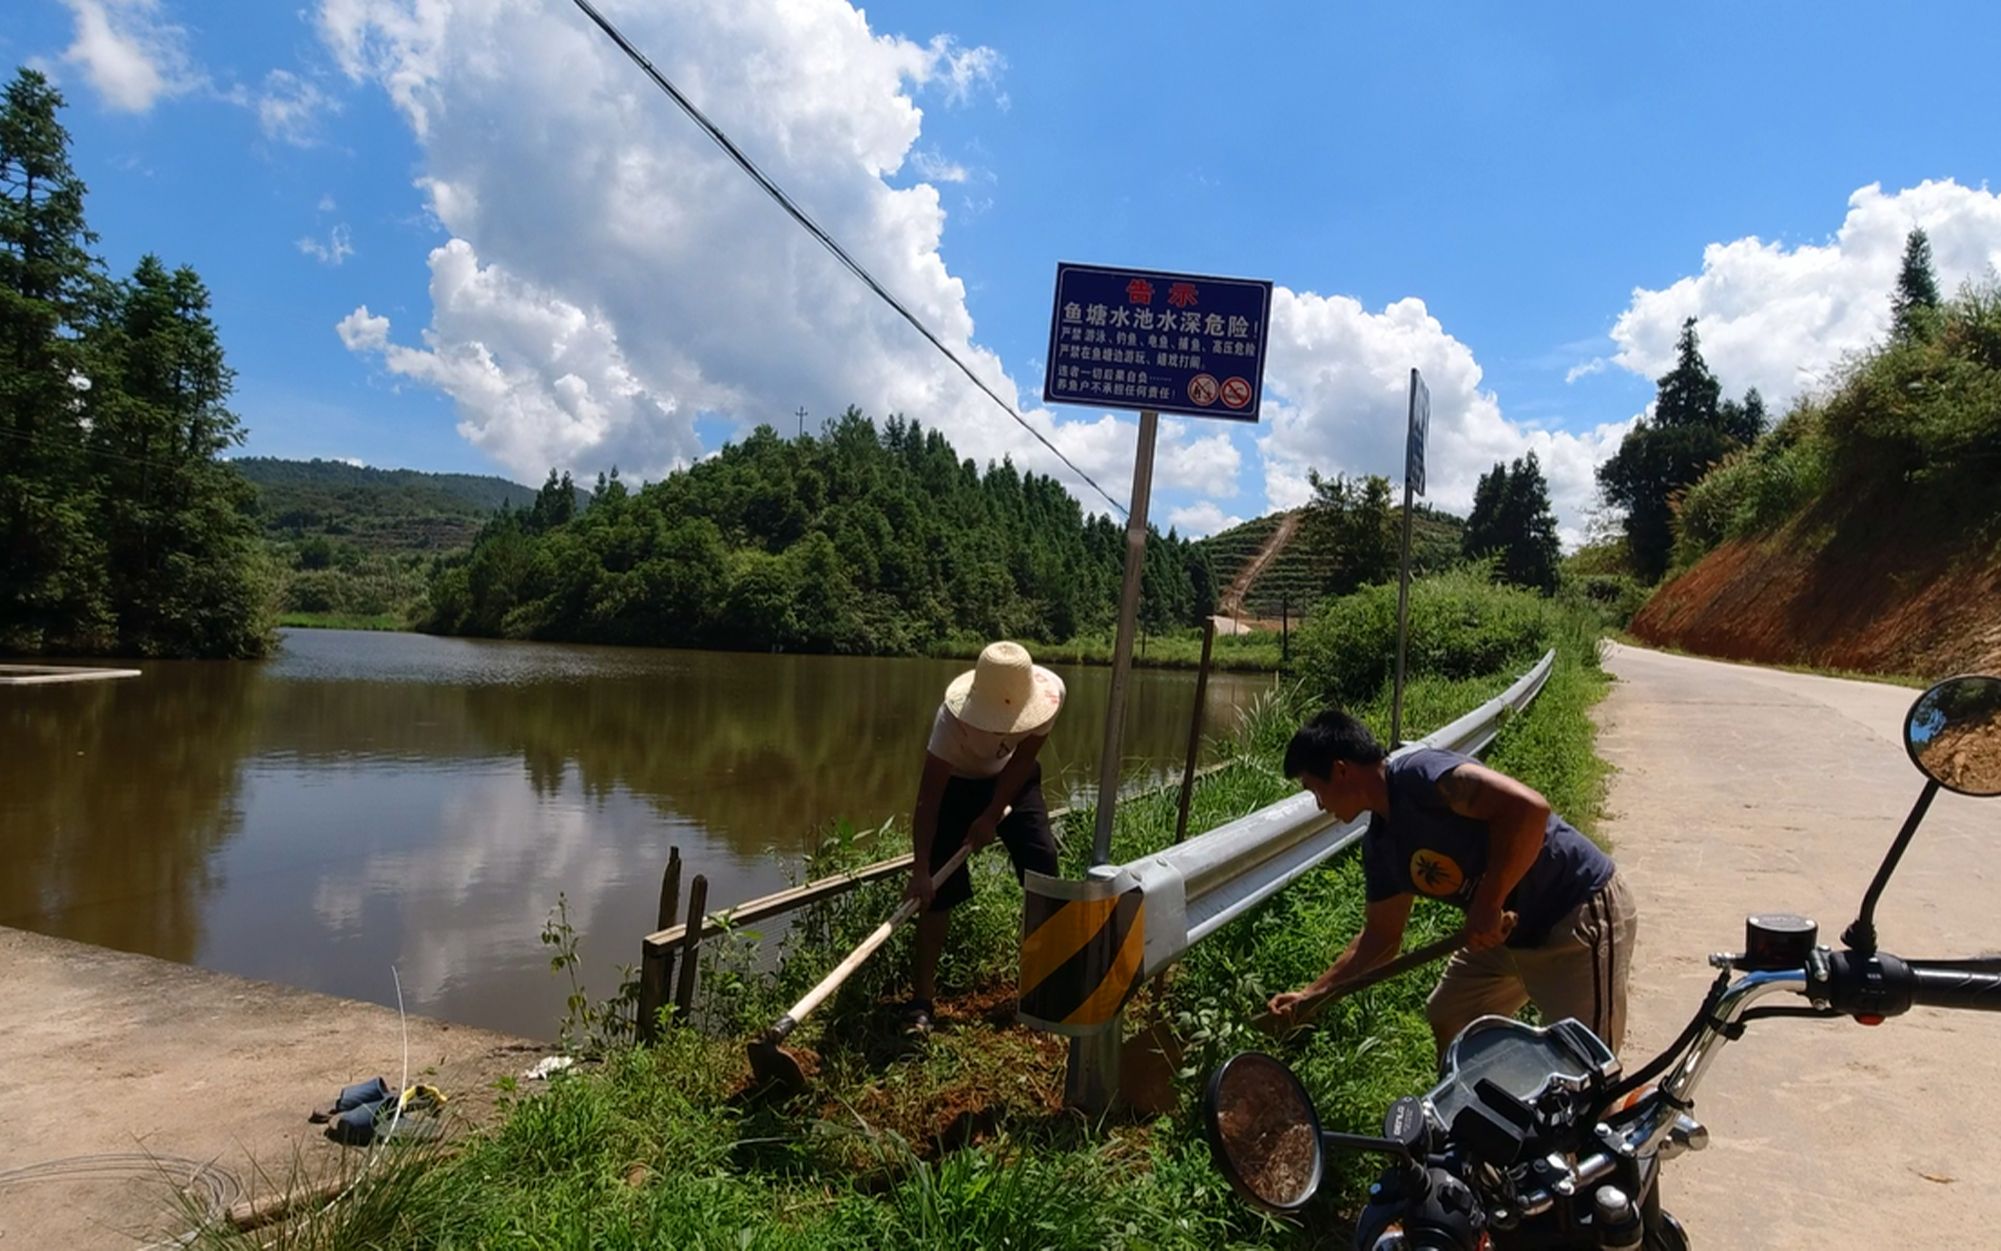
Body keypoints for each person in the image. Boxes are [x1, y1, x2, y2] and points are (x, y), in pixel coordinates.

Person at [1265, 708, 1637, 1056]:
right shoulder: (1381, 848)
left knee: (1585, 1067)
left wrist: (1488, 903)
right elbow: (1380, 940)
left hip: (1574, 911)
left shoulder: (1420, 776)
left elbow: (1528, 809)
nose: (1319, 805)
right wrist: (1312, 995)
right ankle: (1492, 1118)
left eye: (1316, 789)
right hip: (1507, 933)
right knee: (1453, 1017)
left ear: (1341, 770)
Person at [902, 640, 1065, 1037]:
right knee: (936, 891)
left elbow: (1024, 758)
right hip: (957, 788)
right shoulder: (951, 725)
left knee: (1043, 867)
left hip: (1014, 782)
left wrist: (992, 814)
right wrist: (921, 869)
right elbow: (929, 799)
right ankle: (922, 1000)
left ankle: (1045, 983)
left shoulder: (1050, 696)